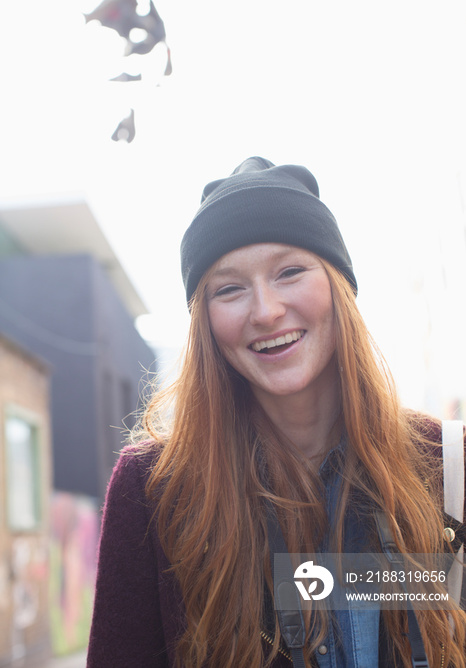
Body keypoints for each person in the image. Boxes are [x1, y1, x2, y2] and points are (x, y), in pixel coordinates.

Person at [87, 157, 466, 668]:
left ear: (339, 288)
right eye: (229, 289)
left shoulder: (448, 465)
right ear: (206, 326)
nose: (265, 310)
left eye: (289, 271)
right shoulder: (153, 491)